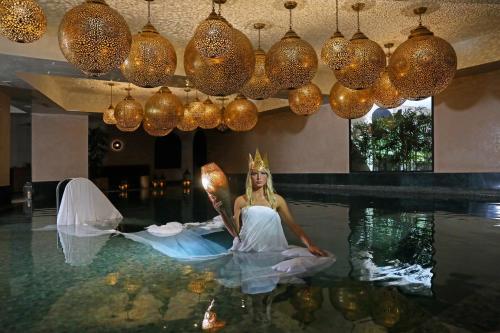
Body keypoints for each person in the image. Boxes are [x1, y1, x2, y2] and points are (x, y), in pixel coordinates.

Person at [210, 149, 327, 257]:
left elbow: (293, 226)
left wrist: (310, 244)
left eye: (262, 173)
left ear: (267, 176)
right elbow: (236, 234)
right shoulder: (241, 201)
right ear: (250, 177)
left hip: (273, 248)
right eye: (255, 173)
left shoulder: (277, 200)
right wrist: (221, 212)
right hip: (248, 249)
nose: (259, 177)